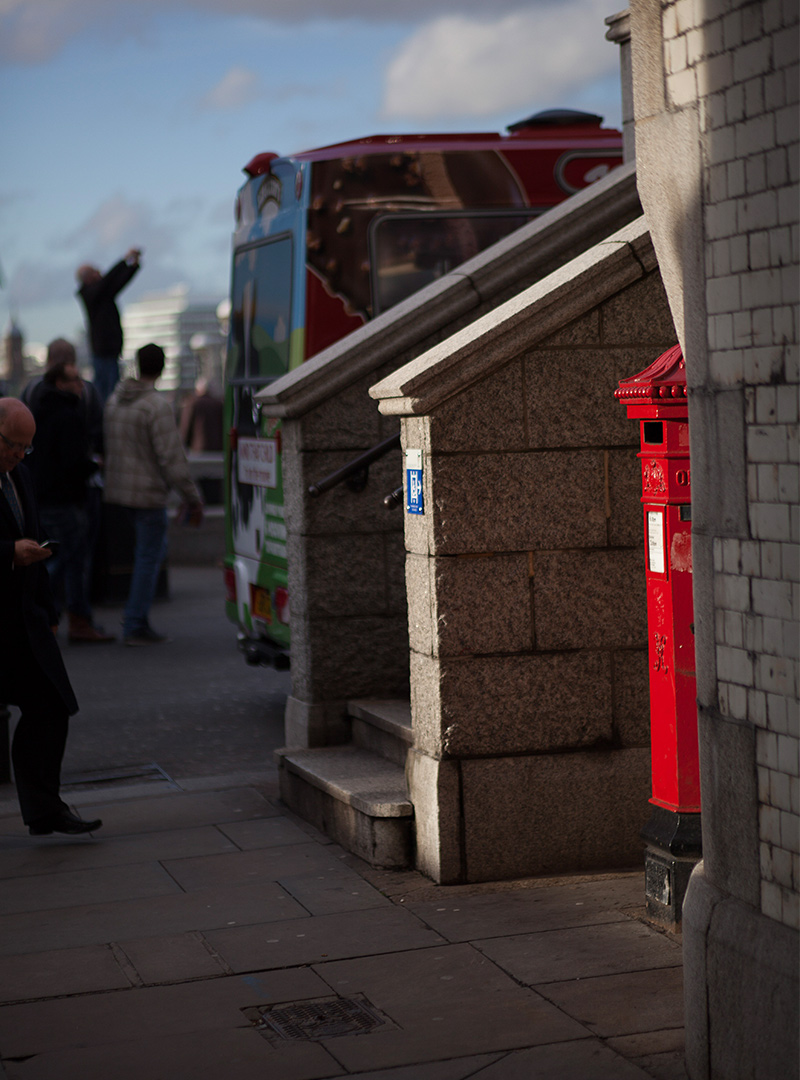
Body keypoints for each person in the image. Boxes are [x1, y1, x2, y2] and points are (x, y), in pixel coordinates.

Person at [0, 397, 102, 835]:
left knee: (52, 705)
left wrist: (49, 610)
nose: (19, 455)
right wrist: (8, 554)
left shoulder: (20, 475)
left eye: (26, 447)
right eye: (12, 445)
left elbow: (35, 538)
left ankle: (44, 809)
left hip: (25, 617)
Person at [104, 343, 203, 646]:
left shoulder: (114, 401)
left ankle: (135, 620)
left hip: (119, 493)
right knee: (149, 558)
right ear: (161, 368)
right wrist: (191, 496)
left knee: (141, 557)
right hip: (147, 494)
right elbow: (171, 458)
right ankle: (135, 623)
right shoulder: (156, 406)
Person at [26, 340, 114, 644]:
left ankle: (38, 614)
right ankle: (75, 618)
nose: (81, 384)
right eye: (75, 379)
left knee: (48, 554)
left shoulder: (31, 396)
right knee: (73, 560)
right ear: (61, 381)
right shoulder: (73, 411)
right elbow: (74, 460)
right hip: (69, 496)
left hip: (39, 493)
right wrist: (94, 465)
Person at [76, 248, 141, 404]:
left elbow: (118, 282)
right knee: (107, 392)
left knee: (110, 389)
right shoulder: (90, 294)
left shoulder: (100, 293)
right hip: (103, 350)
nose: (100, 273)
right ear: (88, 278)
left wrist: (132, 267)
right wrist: (124, 260)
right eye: (96, 271)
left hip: (109, 349)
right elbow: (109, 280)